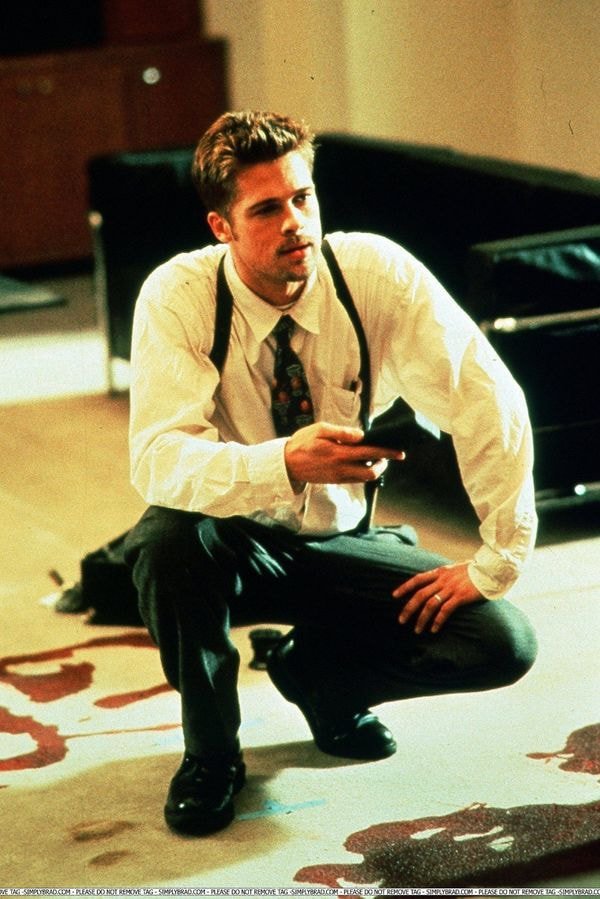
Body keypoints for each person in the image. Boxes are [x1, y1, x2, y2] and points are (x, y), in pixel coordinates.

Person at [123, 110, 538, 837]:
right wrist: (282, 461)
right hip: (228, 543)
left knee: (501, 642)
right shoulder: (178, 295)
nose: (295, 223)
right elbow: (157, 458)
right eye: (266, 209)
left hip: (342, 539)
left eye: (303, 197)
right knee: (164, 543)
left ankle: (321, 678)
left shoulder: (373, 274)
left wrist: (497, 556)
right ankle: (211, 753)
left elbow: (487, 396)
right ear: (221, 227)